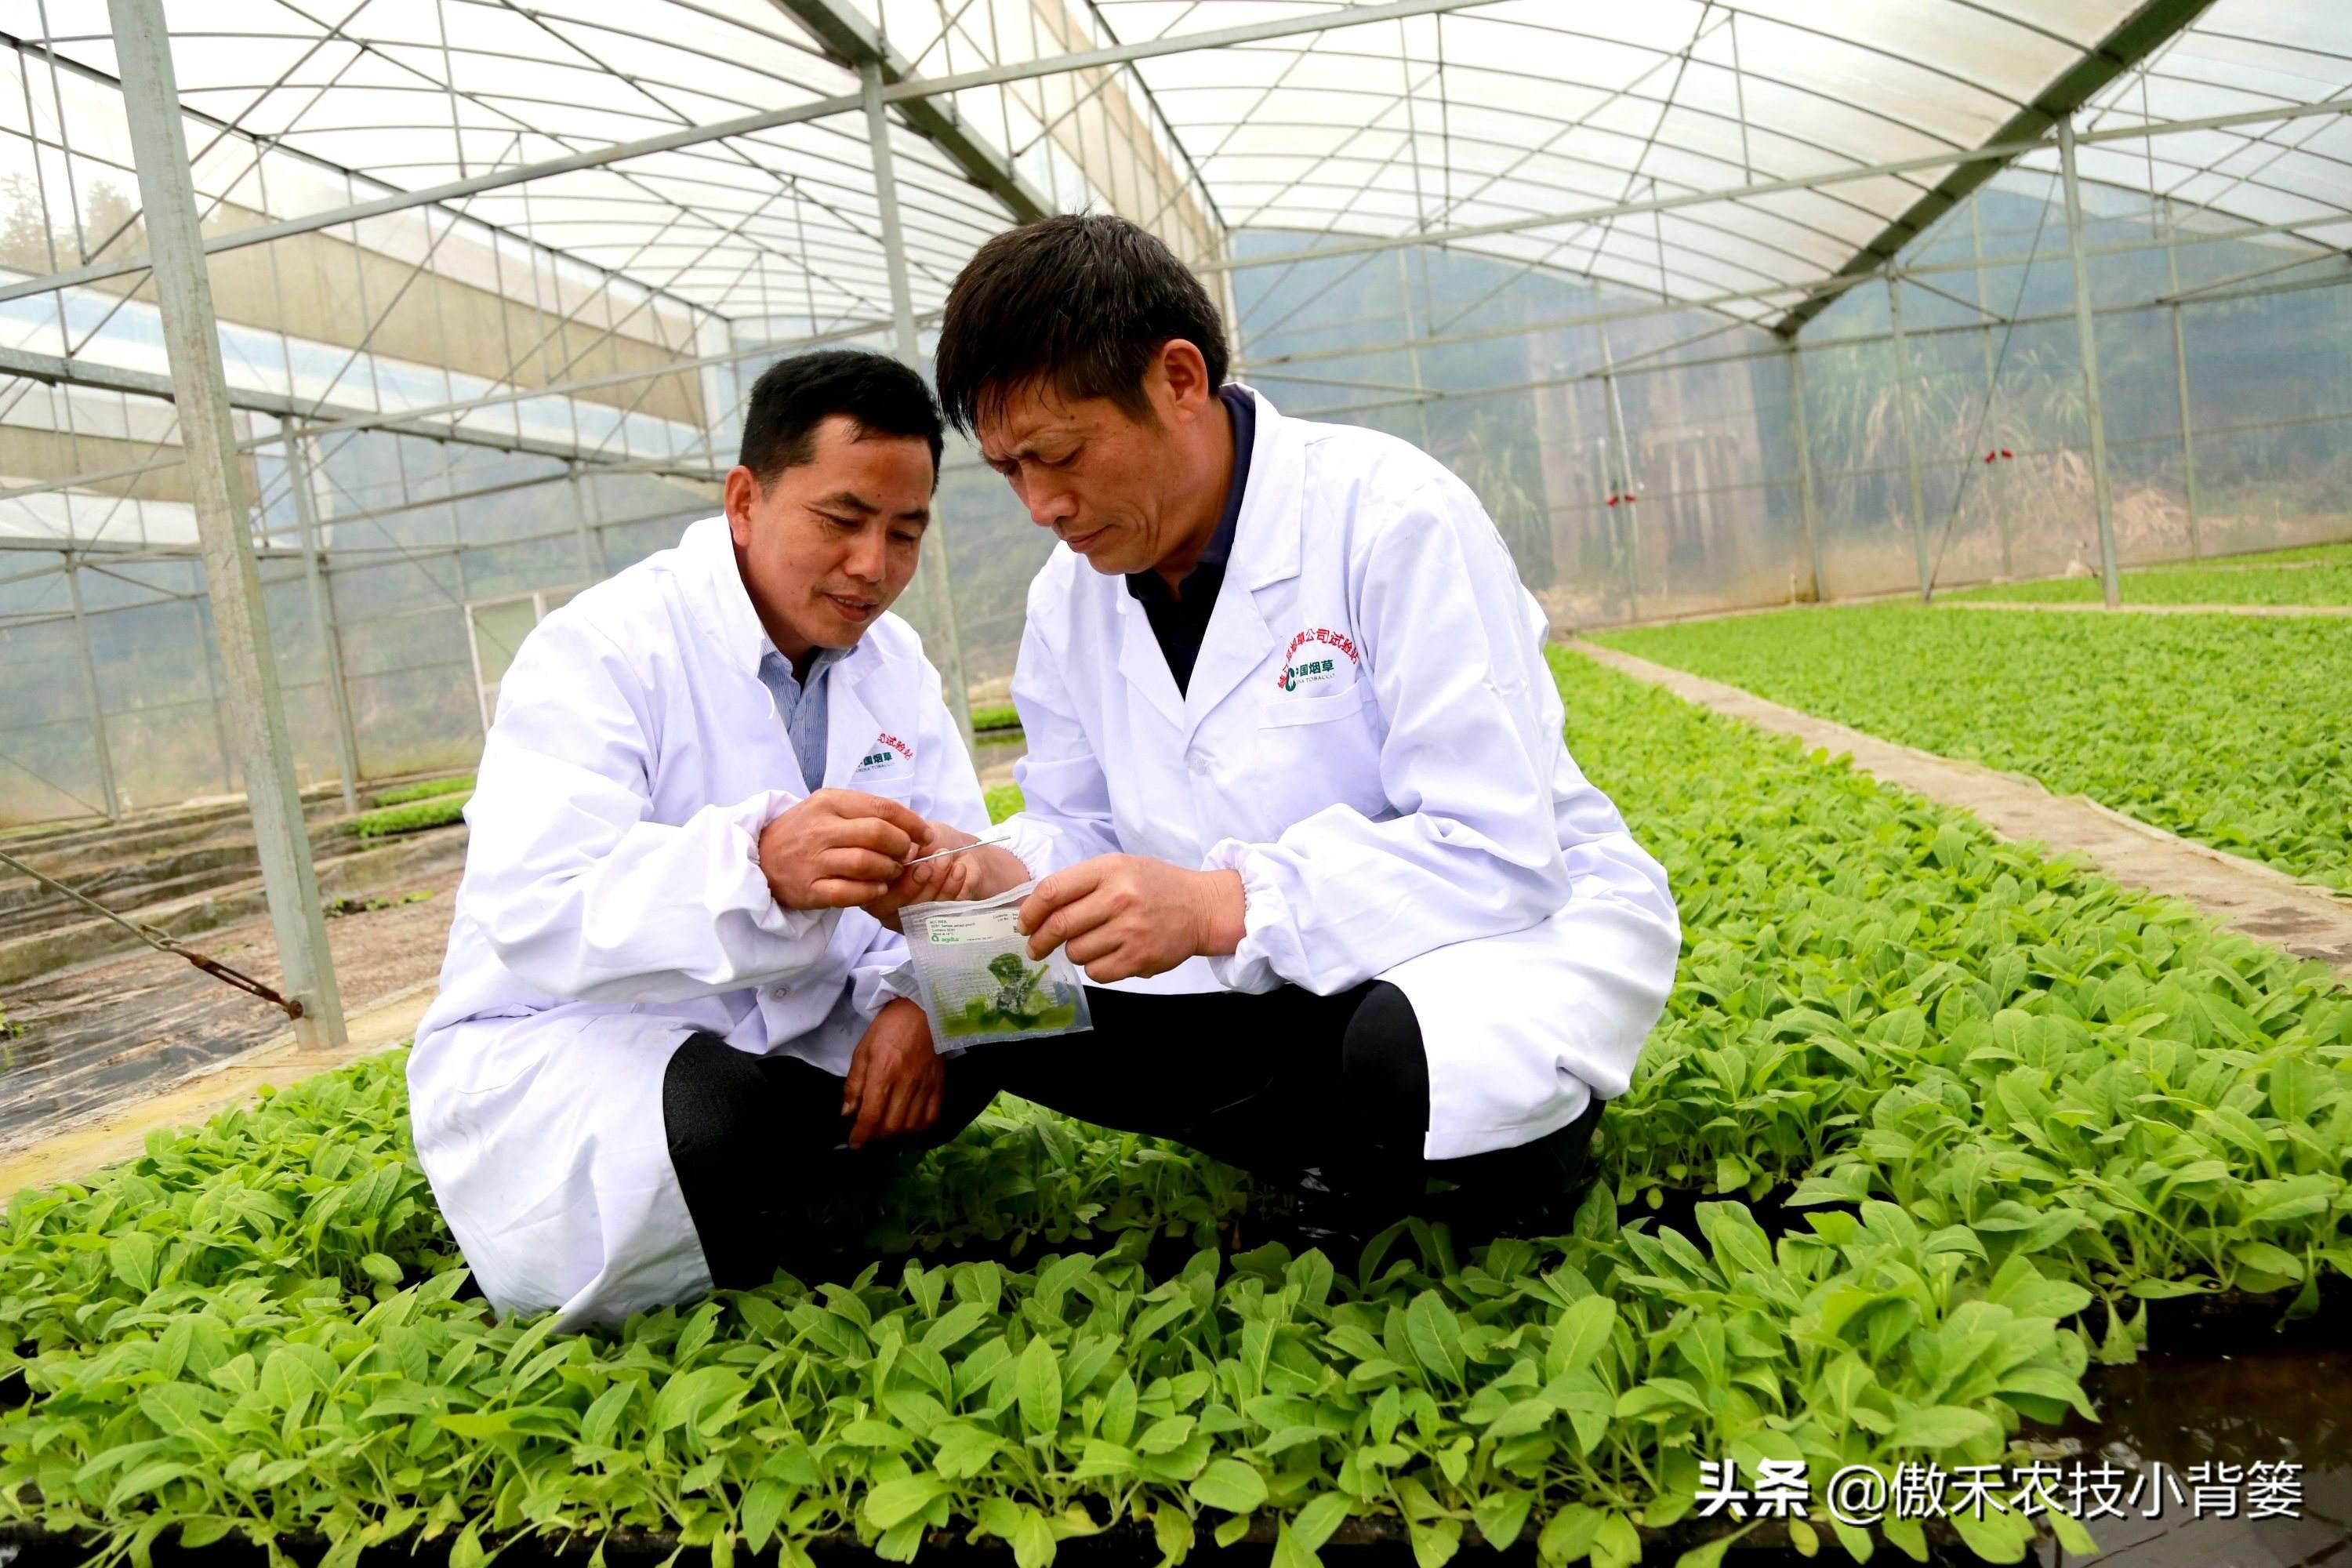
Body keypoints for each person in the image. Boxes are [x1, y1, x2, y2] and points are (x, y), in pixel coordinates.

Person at [918, 215, 1682, 1240]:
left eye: (1058, 455)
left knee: (1401, 1050)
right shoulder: (1070, 599)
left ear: (1178, 380)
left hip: (1473, 943)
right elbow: (1077, 827)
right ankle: (1343, 1144)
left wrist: (1221, 903)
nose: (1041, 505)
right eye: (1010, 470)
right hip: (1253, 979)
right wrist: (991, 875)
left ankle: (1502, 1143)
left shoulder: (1391, 516)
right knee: (970, 977)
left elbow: (1498, 848)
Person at [408, 350, 993, 1328]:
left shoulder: (895, 663)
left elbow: (968, 863)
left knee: (993, 1017)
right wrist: (757, 867)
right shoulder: (600, 649)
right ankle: (759, 1197)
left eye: (906, 532)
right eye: (842, 520)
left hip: (807, 1038)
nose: (873, 566)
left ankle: (790, 1184)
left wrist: (921, 1002)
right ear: (744, 499)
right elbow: (538, 902)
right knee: (716, 1113)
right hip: (584, 1038)